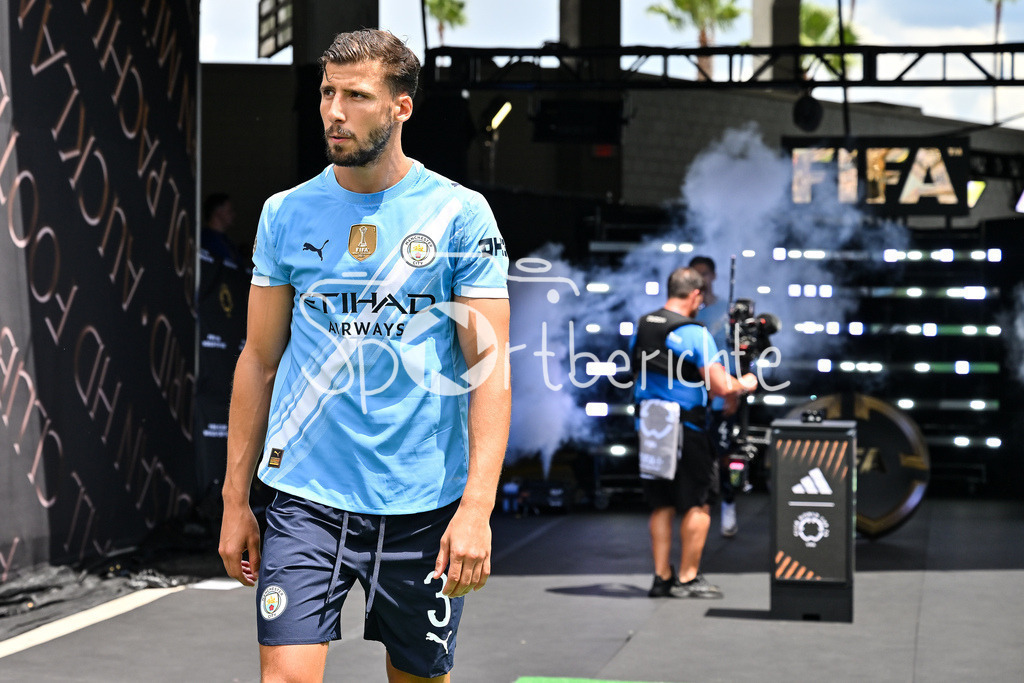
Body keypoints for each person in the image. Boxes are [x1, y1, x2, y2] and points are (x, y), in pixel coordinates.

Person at [217, 29, 511, 683]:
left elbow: (490, 374)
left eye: (355, 95)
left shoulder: (461, 215)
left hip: (423, 505)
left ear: (400, 107)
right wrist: (237, 499)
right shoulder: (285, 213)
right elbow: (258, 359)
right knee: (286, 676)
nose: (333, 111)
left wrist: (476, 510)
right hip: (305, 498)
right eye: (327, 93)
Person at [630, 267, 757, 598]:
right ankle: (686, 578)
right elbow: (720, 385)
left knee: (661, 505)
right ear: (696, 295)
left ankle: (661, 577)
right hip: (686, 430)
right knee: (698, 504)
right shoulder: (693, 332)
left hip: (650, 427)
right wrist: (744, 384)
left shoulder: (643, 325)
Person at [689, 255, 740, 538]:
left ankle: (729, 503)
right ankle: (699, 510)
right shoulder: (687, 312)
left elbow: (736, 355)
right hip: (691, 398)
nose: (702, 279)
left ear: (714, 276)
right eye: (696, 274)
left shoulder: (725, 310)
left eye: (705, 273)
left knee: (723, 454)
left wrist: (735, 392)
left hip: (720, 395)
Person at [201, 192, 244, 267]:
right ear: (218, 211)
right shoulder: (205, 240)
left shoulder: (228, 242)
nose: (233, 215)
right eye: (229, 211)